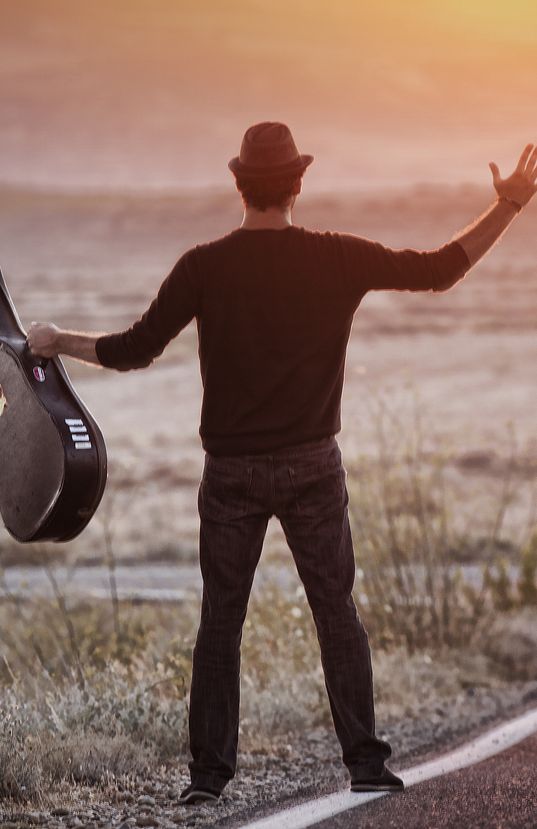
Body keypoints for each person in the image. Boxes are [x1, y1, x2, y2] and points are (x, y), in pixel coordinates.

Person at [28, 124, 537, 805]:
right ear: (297, 182)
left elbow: (130, 349)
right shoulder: (336, 257)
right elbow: (441, 267)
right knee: (336, 611)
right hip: (311, 468)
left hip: (230, 472)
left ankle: (208, 778)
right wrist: (508, 205)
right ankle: (364, 761)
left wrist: (57, 340)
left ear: (239, 183)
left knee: (221, 620)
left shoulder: (203, 265)